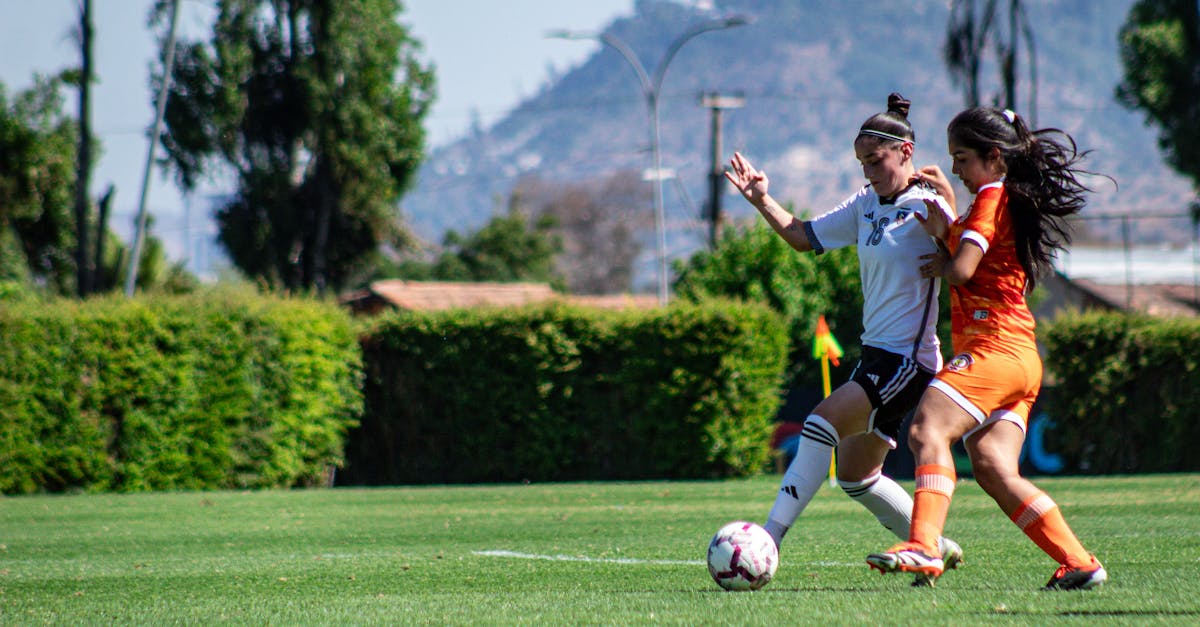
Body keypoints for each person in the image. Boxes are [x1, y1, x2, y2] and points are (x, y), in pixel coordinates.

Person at [865, 106, 1107, 590]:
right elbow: (973, 254)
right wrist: (948, 227)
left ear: (994, 157)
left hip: (993, 346)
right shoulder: (999, 198)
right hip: (1021, 354)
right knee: (994, 467)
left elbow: (962, 271)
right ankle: (1079, 562)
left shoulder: (991, 197)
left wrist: (942, 249)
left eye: (961, 157)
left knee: (928, 428)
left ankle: (924, 545)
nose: (954, 167)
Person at [725, 93, 962, 586]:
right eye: (862, 163)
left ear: (906, 151)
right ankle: (933, 548)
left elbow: (965, 258)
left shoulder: (926, 203)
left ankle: (768, 539)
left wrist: (952, 217)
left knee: (820, 421)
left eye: (876, 160)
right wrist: (761, 198)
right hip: (875, 358)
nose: (869, 171)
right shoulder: (865, 204)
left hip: (908, 362)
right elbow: (804, 236)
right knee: (856, 476)